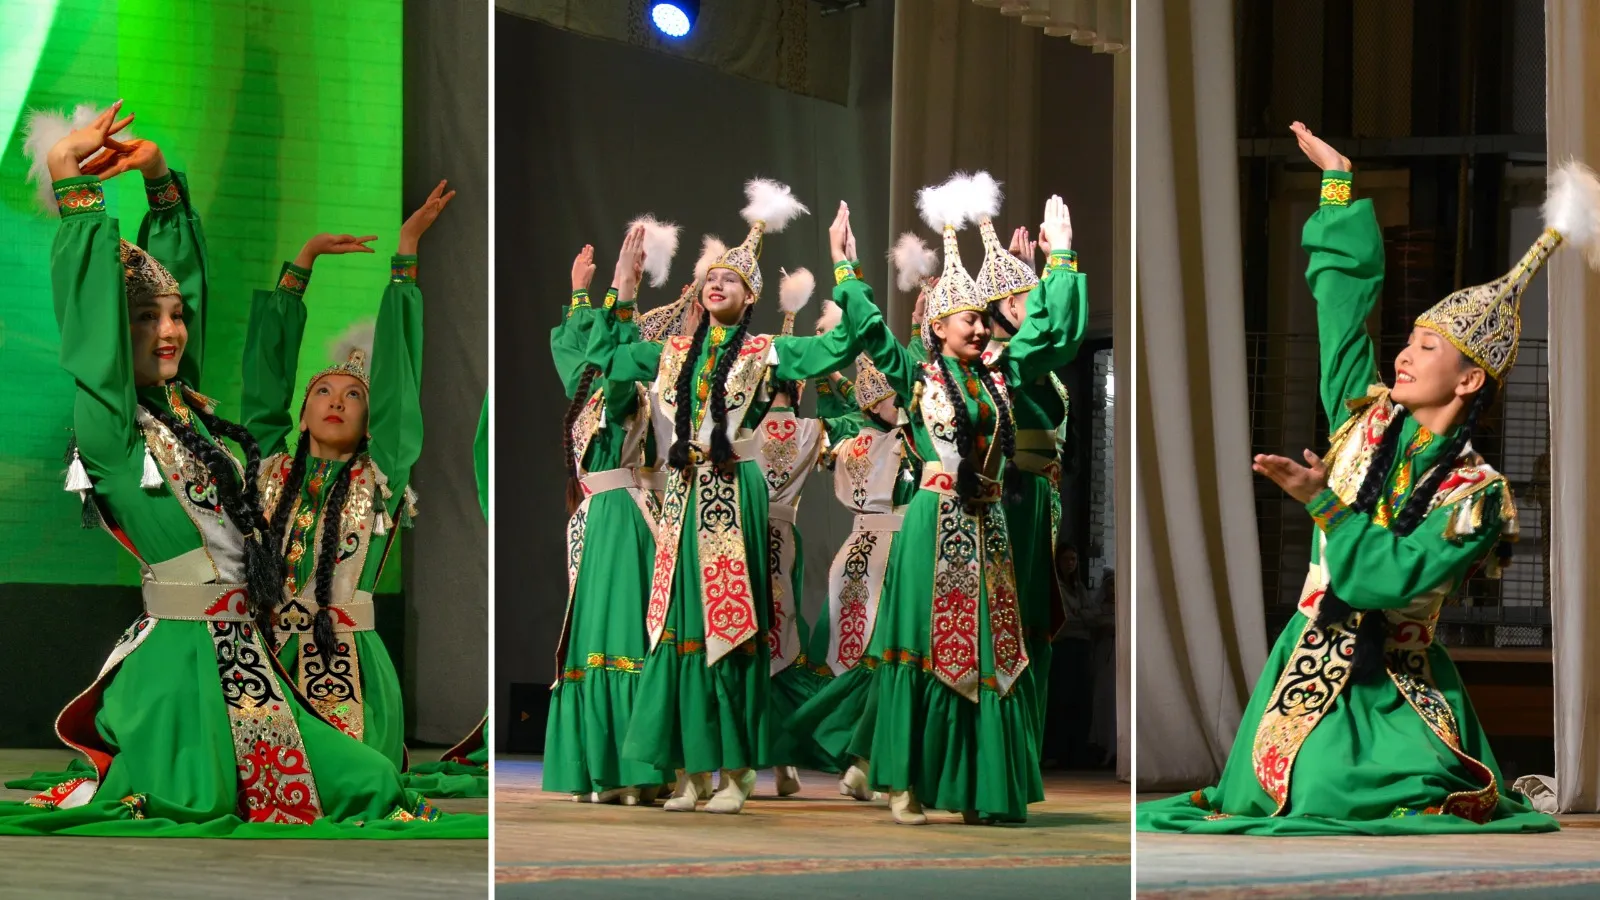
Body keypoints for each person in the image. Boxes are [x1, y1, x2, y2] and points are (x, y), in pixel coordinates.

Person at [2, 102, 480, 837]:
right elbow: (93, 325)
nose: (170, 331)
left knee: (374, 781)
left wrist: (160, 180)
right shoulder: (114, 427)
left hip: (248, 657)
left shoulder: (190, 416)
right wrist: (70, 174)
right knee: (198, 796)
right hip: (183, 668)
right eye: (145, 318)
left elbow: (186, 293)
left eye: (175, 316)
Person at [1136, 123, 1592, 835]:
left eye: (1427, 347)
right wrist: (1339, 186)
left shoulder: (1477, 497)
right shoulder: (1363, 419)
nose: (1403, 356)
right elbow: (1341, 318)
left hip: (1397, 679)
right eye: (1408, 341)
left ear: (1468, 379)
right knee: (1287, 791)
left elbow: (1391, 580)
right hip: (1308, 658)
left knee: (1349, 795)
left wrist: (1324, 501)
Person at [583, 179, 864, 814]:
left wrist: (844, 265)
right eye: (710, 278)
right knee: (678, 627)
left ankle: (736, 771)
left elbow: (841, 345)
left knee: (730, 628)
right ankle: (691, 772)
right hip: (683, 496)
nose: (716, 285)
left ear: (751, 296)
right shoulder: (673, 351)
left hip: (733, 493)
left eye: (730, 280)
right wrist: (623, 289)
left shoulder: (767, 352)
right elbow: (605, 356)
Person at [822, 174, 1086, 824]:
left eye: (981, 321)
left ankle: (977, 786)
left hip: (988, 528)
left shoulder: (1001, 373)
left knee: (992, 650)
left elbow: (1052, 335)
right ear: (938, 326)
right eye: (969, 320)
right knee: (920, 647)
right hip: (933, 523)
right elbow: (871, 330)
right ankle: (905, 782)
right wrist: (845, 267)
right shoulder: (916, 374)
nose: (980, 330)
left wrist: (1062, 260)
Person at [240, 182, 483, 800]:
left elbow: (399, 377)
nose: (337, 401)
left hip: (349, 662)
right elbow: (264, 383)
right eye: (322, 392)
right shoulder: (268, 470)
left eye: (353, 397)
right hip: (266, 655)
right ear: (300, 416)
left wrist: (406, 250)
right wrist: (302, 264)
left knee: (348, 785)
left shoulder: (382, 476)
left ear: (371, 423)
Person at [541, 221, 686, 805]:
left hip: (626, 520)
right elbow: (574, 354)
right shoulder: (589, 396)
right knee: (592, 635)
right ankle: (598, 767)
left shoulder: (628, 394)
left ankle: (633, 769)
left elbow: (614, 363)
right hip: (598, 520)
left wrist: (623, 292)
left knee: (623, 632)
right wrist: (581, 295)